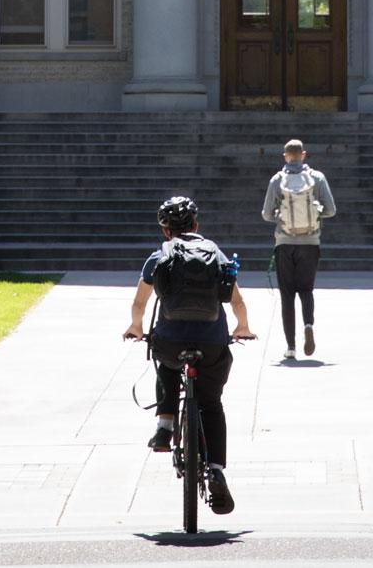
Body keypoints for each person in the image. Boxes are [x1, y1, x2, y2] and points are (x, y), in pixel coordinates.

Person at [123, 194, 255, 518]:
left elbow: (139, 304)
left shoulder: (159, 257)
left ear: (165, 230)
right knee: (211, 403)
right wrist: (243, 327)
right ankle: (217, 470)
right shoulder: (215, 254)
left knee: (164, 361)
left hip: (171, 340)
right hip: (210, 343)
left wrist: (136, 328)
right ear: (197, 225)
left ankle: (165, 426)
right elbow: (236, 301)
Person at [260, 138, 338, 357]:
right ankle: (309, 325)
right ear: (303, 154)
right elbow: (331, 210)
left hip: (284, 243)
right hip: (311, 243)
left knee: (287, 295)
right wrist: (315, 212)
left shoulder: (277, 180)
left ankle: (291, 347)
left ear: (285, 156)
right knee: (306, 290)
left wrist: (279, 214)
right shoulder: (317, 178)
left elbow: (266, 214)